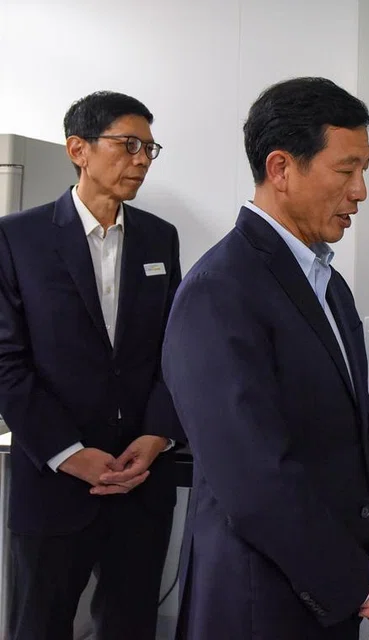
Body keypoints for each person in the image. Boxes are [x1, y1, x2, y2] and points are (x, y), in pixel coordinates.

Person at [162, 77, 369, 639]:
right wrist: (356, 582)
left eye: (365, 170)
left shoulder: (328, 285)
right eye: (346, 170)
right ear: (281, 168)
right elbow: (254, 480)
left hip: (332, 589)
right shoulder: (219, 291)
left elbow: (364, 424)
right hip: (260, 602)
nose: (361, 191)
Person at [0, 91, 183, 640]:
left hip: (140, 479)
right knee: (39, 624)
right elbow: (6, 361)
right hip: (53, 480)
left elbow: (174, 350)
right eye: (129, 145)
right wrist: (69, 453)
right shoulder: (17, 238)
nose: (142, 160)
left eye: (149, 148)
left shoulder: (159, 237)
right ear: (78, 149)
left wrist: (157, 436)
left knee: (131, 624)